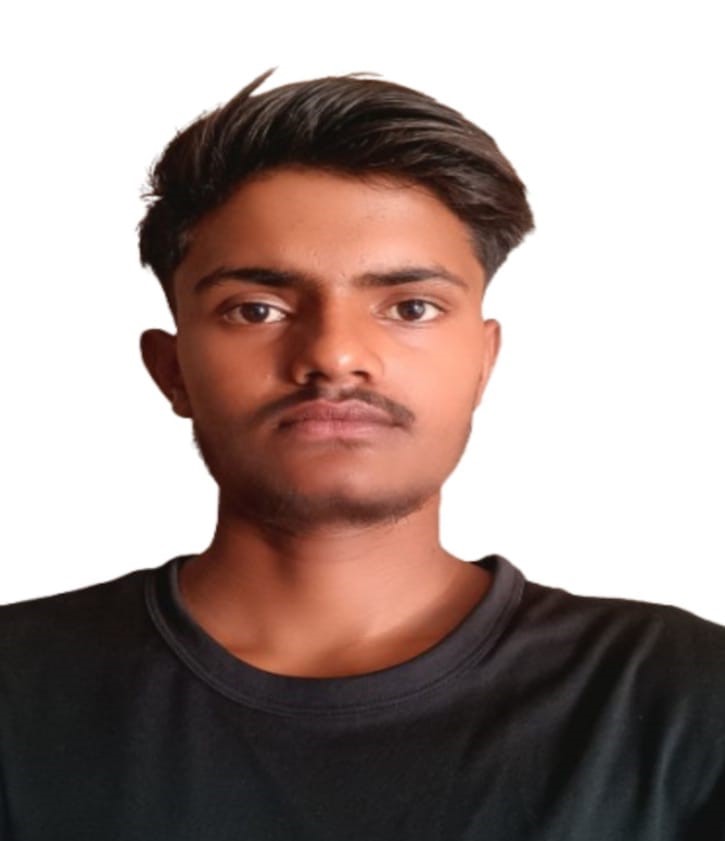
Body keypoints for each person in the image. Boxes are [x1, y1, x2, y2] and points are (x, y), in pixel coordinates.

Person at [1, 68, 723, 840]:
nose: (335, 354)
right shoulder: (18, 685)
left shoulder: (680, 694)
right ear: (171, 369)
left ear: (482, 362)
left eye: (410, 307)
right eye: (257, 309)